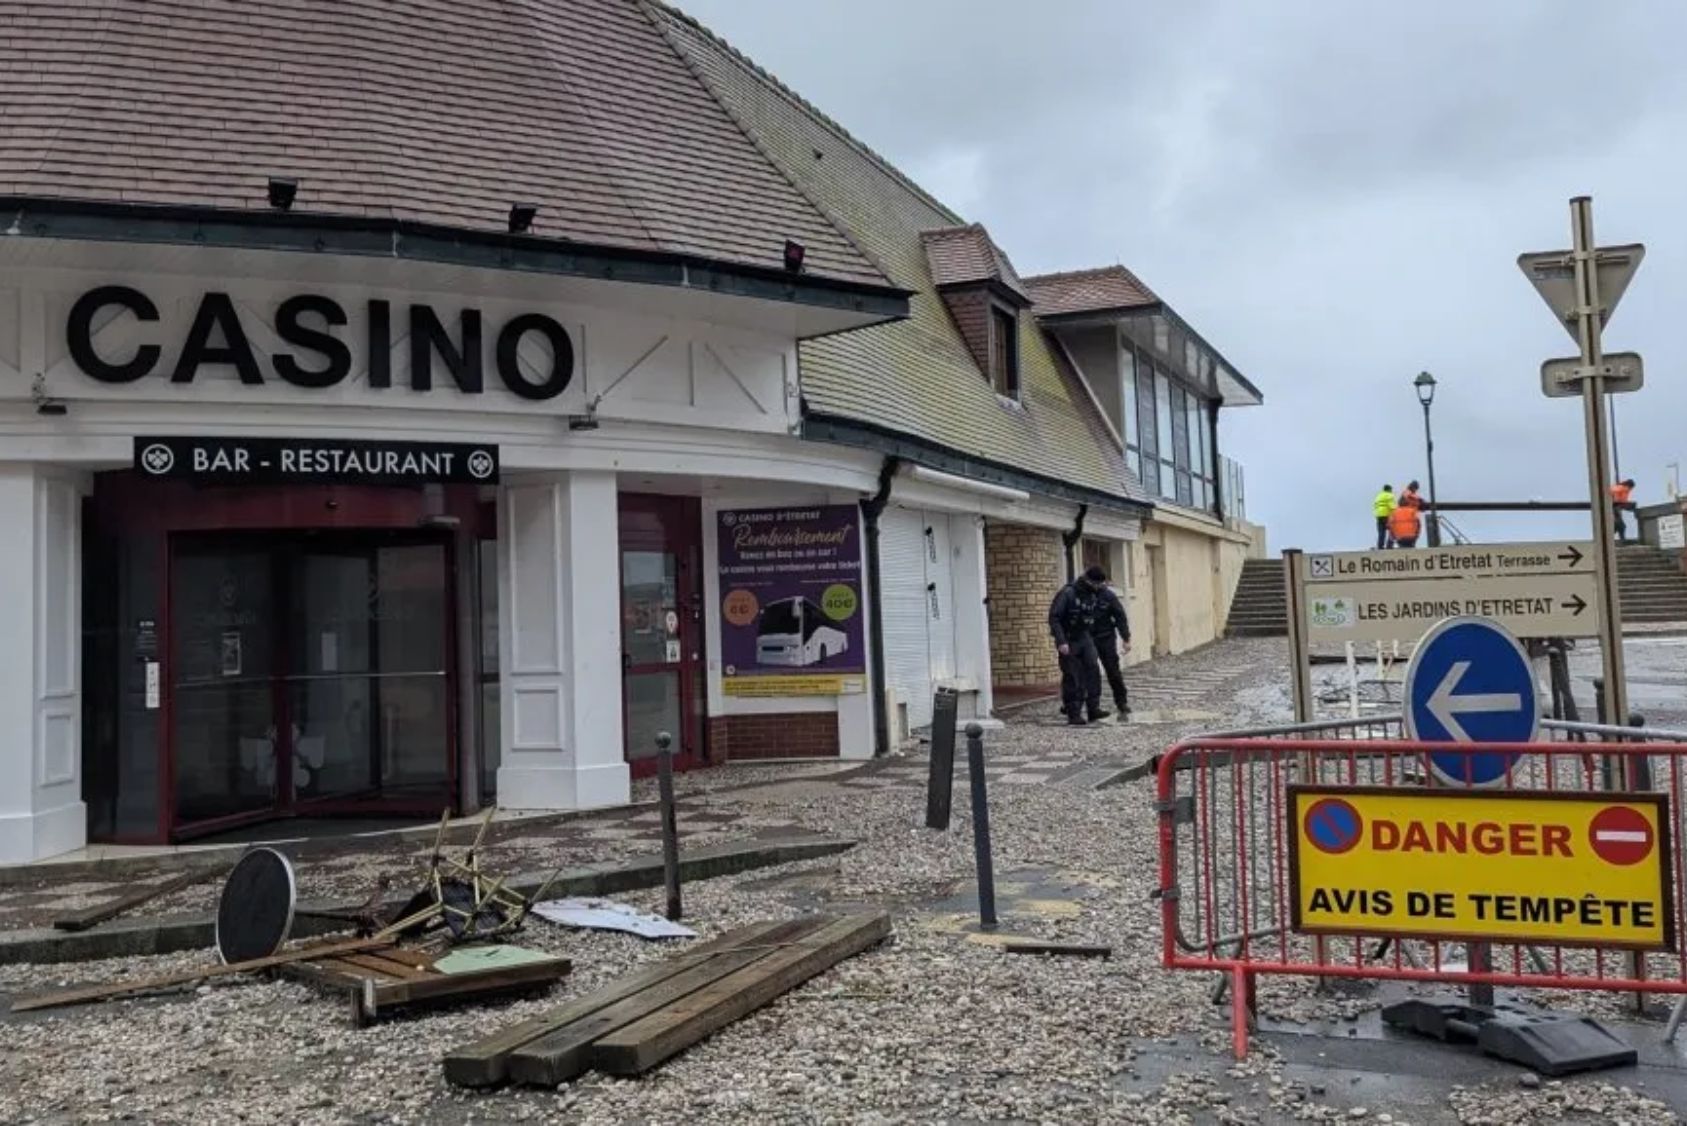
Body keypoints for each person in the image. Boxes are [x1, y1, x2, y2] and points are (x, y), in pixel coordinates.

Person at [1048, 568, 1108, 726]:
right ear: (1089, 581)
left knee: (1093, 670)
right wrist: (1061, 641)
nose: (1100, 587)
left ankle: (1093, 709)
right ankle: (1073, 712)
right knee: (1073, 676)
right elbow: (1054, 618)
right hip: (1068, 638)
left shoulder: (1094, 593)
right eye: (1098, 584)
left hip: (1085, 636)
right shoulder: (1068, 593)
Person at [1087, 567, 1132, 717]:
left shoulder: (1109, 596)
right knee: (1088, 673)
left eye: (1099, 583)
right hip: (1088, 638)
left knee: (1113, 671)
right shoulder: (1082, 594)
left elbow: (1120, 617)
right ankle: (1091, 706)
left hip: (1106, 637)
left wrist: (1126, 638)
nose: (1096, 586)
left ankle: (1121, 702)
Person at [1372, 484, 1396, 550]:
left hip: (1378, 516)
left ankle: (1380, 546)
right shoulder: (1389, 495)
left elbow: (1375, 506)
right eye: (1391, 490)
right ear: (1389, 489)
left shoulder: (1378, 496)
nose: (1392, 491)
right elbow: (1392, 507)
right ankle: (1389, 545)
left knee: (1381, 532)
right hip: (1386, 515)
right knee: (1393, 530)